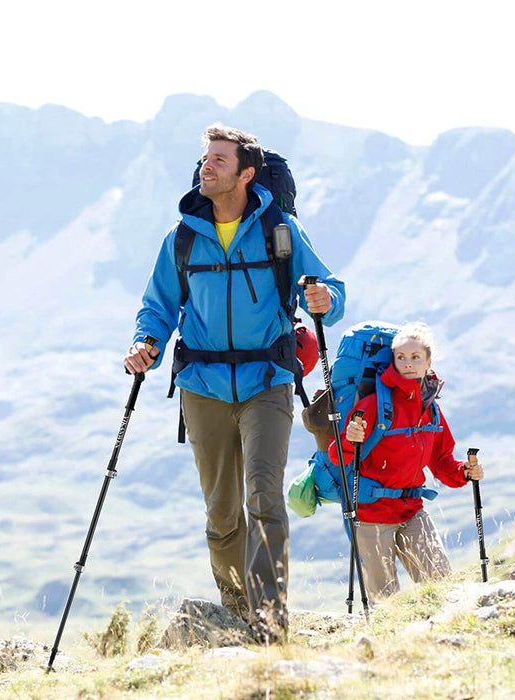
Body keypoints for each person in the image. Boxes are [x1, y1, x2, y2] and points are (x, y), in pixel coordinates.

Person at [124, 125, 345, 636]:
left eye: (219, 160)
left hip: (266, 379)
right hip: (202, 386)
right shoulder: (181, 237)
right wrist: (145, 346)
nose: (207, 166)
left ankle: (271, 618)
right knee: (222, 513)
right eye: (205, 158)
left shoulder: (280, 231)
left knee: (263, 497)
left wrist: (326, 302)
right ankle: (236, 608)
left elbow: (329, 287)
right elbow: (157, 307)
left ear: (246, 173)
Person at [329, 322, 484, 604]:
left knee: (441, 588)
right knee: (384, 603)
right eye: (401, 357)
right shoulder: (375, 404)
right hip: (370, 514)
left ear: (428, 362)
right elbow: (337, 454)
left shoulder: (431, 410)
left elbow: (442, 461)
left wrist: (465, 472)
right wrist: (350, 439)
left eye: (415, 357)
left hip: (412, 509)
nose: (408, 364)